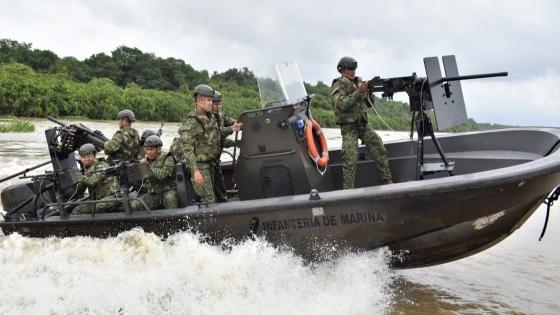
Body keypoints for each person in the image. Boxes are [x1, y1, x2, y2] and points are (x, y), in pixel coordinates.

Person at [330, 56, 392, 189]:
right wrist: (358, 92)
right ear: (343, 69)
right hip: (349, 128)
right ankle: (348, 192)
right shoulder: (338, 84)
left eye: (354, 68)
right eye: (350, 68)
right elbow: (341, 104)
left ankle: (388, 181)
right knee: (350, 159)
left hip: (363, 125)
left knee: (379, 148)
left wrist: (369, 92)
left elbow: (369, 105)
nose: (353, 71)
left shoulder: (359, 82)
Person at [176, 84, 221, 203]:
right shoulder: (192, 121)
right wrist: (195, 171)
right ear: (199, 100)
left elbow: (215, 137)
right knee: (209, 200)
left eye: (211, 100)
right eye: (209, 100)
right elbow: (187, 149)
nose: (211, 103)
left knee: (217, 197)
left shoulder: (210, 117)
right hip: (200, 167)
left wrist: (232, 128)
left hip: (212, 164)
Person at [130, 135, 177, 211]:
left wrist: (147, 164)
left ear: (158, 149)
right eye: (147, 149)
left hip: (168, 191)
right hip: (154, 194)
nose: (148, 152)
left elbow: (162, 175)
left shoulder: (168, 158)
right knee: (135, 205)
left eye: (151, 149)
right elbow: (140, 182)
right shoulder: (147, 159)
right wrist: (133, 171)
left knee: (170, 199)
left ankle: (173, 221)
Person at [211, 90, 242, 202]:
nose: (218, 106)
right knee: (209, 193)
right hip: (206, 160)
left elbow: (233, 123)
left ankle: (223, 203)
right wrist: (232, 129)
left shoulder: (221, 115)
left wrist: (240, 124)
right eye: (215, 104)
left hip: (216, 160)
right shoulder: (206, 119)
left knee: (220, 188)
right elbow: (216, 134)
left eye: (219, 104)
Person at [74, 143, 119, 214]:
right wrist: (76, 182)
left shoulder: (102, 165)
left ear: (94, 156)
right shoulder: (87, 168)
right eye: (82, 157)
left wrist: (80, 177)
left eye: (87, 156)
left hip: (112, 197)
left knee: (98, 208)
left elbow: (92, 181)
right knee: (76, 210)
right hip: (99, 199)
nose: (84, 159)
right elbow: (80, 189)